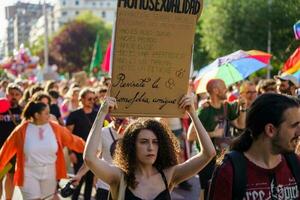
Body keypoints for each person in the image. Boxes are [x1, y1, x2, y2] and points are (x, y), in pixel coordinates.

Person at [84, 94, 216, 200]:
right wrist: (101, 114)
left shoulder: (169, 175)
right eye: (144, 141)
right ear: (132, 146)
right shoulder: (119, 177)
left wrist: (192, 113)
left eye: (155, 142)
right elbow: (89, 158)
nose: (151, 147)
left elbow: (208, 153)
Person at [208, 93, 300, 199]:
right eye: (294, 126)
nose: (299, 132)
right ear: (270, 130)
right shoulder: (229, 170)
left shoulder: (295, 163)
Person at [0, 100, 85, 200]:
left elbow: (73, 140)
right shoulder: (21, 130)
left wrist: (90, 148)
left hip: (50, 174)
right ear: (36, 115)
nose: (50, 116)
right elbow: (5, 151)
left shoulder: (55, 128)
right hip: (28, 174)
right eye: (46, 113)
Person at [187, 78, 246, 200]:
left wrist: (243, 108)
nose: (226, 90)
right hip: (208, 159)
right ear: (215, 90)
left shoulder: (227, 107)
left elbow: (241, 125)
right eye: (224, 87)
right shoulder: (204, 110)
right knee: (206, 192)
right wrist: (213, 133)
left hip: (224, 157)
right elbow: (190, 136)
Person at [71, 117, 129, 200]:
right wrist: (79, 175)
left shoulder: (132, 133)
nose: (121, 123)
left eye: (124, 120)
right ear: (112, 117)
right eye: (118, 120)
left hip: (125, 187)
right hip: (105, 186)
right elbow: (92, 157)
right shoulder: (103, 132)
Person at [66, 88, 98, 200]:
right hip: (78, 152)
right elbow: (68, 136)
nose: (92, 101)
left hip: (93, 152)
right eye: (89, 99)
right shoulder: (74, 115)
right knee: (77, 182)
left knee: (90, 183)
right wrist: (70, 153)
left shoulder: (97, 114)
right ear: (82, 99)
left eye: (94, 99)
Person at [0, 83, 23, 200]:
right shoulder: (0, 108)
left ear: (21, 96)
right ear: (6, 95)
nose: (14, 96)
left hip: (14, 149)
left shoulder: (23, 110)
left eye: (17, 94)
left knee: (11, 176)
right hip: (1, 148)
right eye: (11, 94)